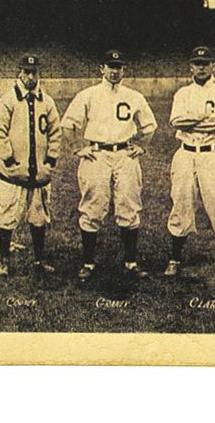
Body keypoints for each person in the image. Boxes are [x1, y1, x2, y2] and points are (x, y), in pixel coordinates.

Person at [61, 49, 159, 279]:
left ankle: (131, 262)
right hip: (97, 154)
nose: (115, 71)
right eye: (110, 66)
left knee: (129, 205)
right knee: (93, 207)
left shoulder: (134, 96)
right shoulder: (89, 94)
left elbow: (150, 126)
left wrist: (142, 146)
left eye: (119, 67)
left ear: (124, 70)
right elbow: (68, 125)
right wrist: (78, 147)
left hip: (125, 154)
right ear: (102, 69)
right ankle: (88, 263)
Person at [165, 47, 215, 278]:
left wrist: (191, 121)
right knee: (181, 203)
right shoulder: (183, 93)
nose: (201, 67)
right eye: (197, 63)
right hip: (186, 154)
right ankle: (174, 259)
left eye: (205, 63)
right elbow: (176, 121)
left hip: (213, 154)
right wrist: (203, 118)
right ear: (191, 67)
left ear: (213, 66)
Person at [0, 54, 60, 276]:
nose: (30, 76)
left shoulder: (46, 101)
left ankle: (39, 260)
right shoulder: (8, 100)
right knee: (9, 213)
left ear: (39, 73)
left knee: (38, 215)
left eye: (34, 72)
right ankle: (4, 261)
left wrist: (50, 160)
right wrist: (9, 160)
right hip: (12, 173)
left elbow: (55, 132)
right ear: (19, 72)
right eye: (26, 72)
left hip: (38, 172)